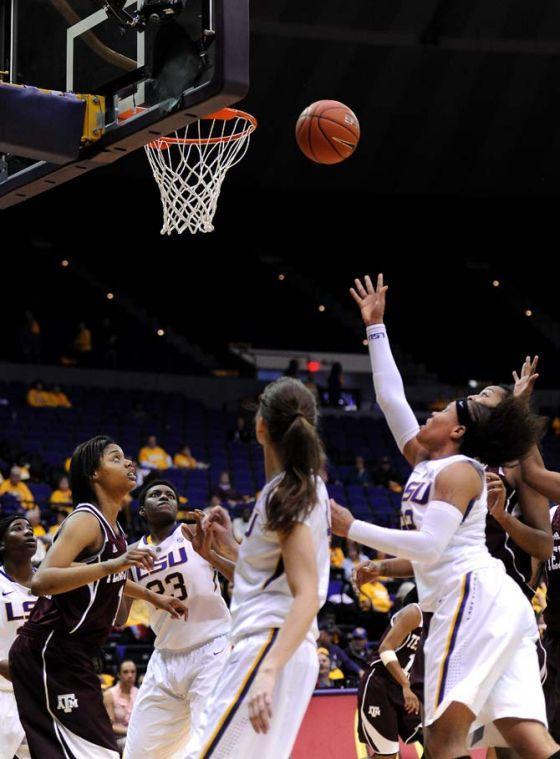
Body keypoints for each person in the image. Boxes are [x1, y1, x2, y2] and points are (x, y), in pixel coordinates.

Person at [334, 273, 559, 759]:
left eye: (452, 408)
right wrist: (376, 328)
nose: (433, 411)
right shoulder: (428, 459)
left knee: (442, 738)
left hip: (473, 599)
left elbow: (436, 548)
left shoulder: (463, 471)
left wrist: (351, 527)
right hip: (484, 600)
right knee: (524, 736)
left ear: (459, 431)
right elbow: (390, 397)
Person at [9, 435, 187, 758]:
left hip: (74, 656)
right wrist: (110, 565)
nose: (129, 462)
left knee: (101, 751)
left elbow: (112, 578)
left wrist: (153, 597)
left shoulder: (115, 529)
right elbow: (42, 580)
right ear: (94, 473)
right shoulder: (86, 520)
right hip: (47, 652)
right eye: (116, 458)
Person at [184, 377, 331, 759]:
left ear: (260, 426)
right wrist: (227, 547)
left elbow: (307, 593)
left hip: (269, 647)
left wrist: (267, 671)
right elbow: (270, 582)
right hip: (284, 647)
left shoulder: (286, 493)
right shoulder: (304, 487)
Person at [124, 480, 231, 759]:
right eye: (155, 494)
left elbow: (245, 576)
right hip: (166, 657)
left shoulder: (194, 533)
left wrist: (210, 554)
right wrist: (116, 576)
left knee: (211, 745)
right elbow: (118, 617)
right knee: (137, 753)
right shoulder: (133, 555)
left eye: (170, 495)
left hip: (212, 648)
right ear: (142, 512)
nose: (164, 497)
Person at [357, 592, 422, 758]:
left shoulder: (441, 621)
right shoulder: (415, 612)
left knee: (437, 742)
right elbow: (386, 649)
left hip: (408, 689)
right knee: (388, 756)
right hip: (380, 685)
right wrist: (406, 685)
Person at [0, 515, 38, 759]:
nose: (28, 532)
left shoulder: (52, 581)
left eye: (30, 528)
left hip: (45, 692)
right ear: (2, 544)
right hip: (4, 693)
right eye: (18, 528)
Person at [104, 660, 138, 753]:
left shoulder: (139, 693)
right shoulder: (109, 695)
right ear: (119, 675)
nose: (130, 675)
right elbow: (109, 726)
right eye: (125, 672)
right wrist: (130, 732)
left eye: (133, 672)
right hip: (116, 739)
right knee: (130, 743)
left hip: (135, 735)